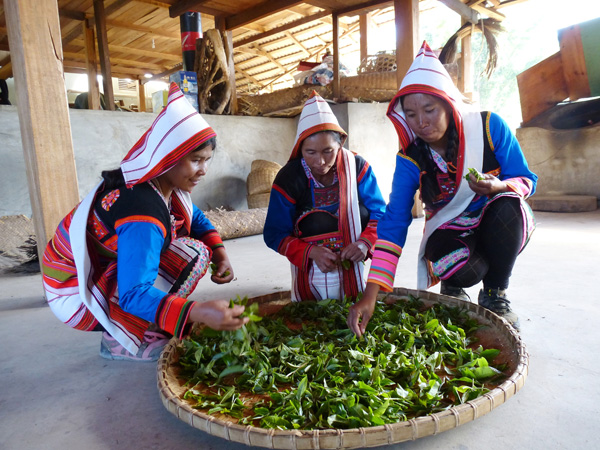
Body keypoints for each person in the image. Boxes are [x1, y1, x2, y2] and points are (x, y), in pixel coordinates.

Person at [42, 83, 248, 362]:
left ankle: (143, 322)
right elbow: (133, 292)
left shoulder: (157, 183)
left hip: (79, 278)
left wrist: (220, 252)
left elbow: (196, 217)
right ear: (168, 158)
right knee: (192, 254)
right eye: (196, 160)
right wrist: (196, 312)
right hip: (74, 296)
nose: (203, 170)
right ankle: (122, 338)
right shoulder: (143, 214)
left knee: (197, 246)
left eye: (207, 160)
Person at [347, 42, 537, 335]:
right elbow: (394, 220)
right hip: (450, 231)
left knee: (508, 204)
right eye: (411, 114)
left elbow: (525, 179)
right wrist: (370, 295)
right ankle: (455, 280)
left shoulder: (488, 127)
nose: (421, 122)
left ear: (448, 103)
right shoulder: (411, 158)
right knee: (467, 269)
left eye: (430, 110)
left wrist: (497, 186)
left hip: (496, 222)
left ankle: (496, 291)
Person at [263, 91, 386, 301]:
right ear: (300, 149)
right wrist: (311, 252)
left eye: (328, 151)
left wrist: (365, 243)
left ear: (341, 144)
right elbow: (274, 234)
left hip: (354, 257)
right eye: (311, 152)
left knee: (362, 211)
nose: (320, 161)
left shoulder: (356, 167)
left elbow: (380, 212)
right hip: (310, 264)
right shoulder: (289, 178)